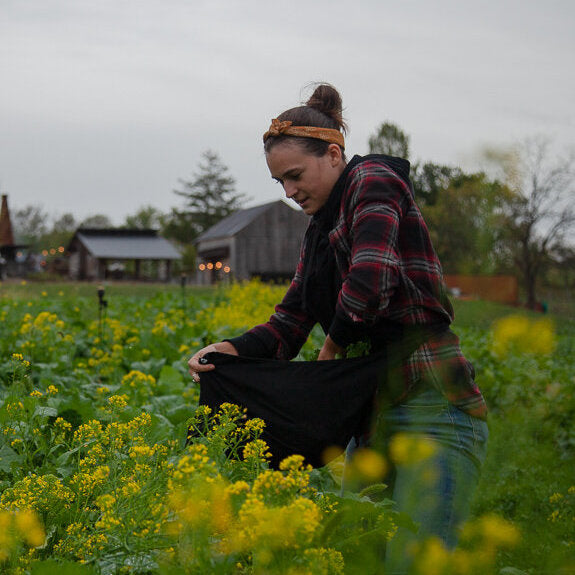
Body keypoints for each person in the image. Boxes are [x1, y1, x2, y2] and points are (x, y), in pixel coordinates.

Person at [188, 83, 488, 573]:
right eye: (278, 182)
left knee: (413, 564)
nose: (289, 191)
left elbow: (371, 280)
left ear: (333, 154)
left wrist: (332, 347)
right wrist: (230, 351)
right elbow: (290, 321)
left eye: (295, 175)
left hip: (432, 403)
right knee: (355, 559)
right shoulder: (318, 228)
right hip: (370, 415)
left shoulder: (373, 180)